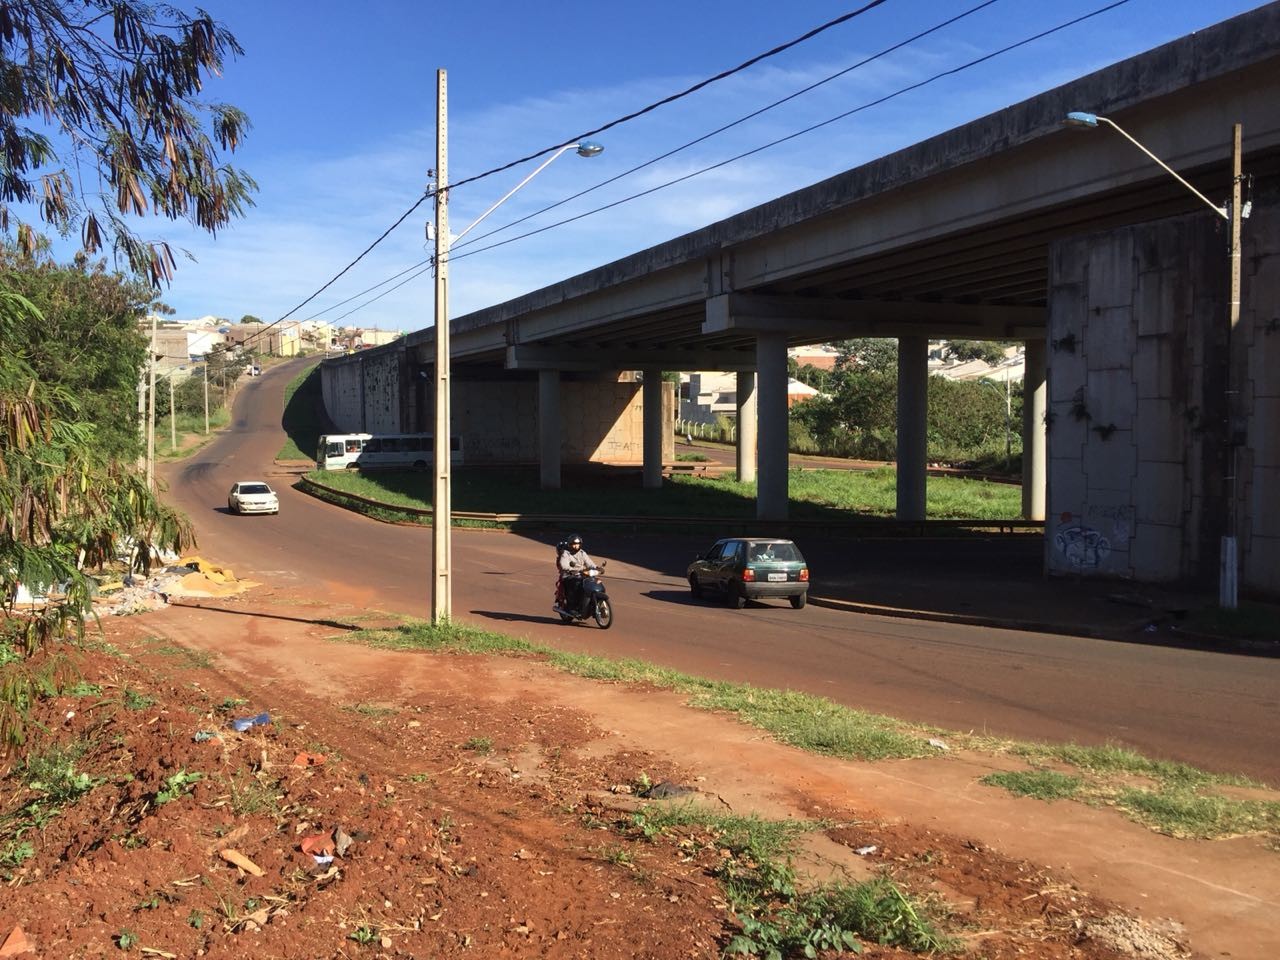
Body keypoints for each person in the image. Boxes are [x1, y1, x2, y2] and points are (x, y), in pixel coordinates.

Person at [558, 535, 596, 613]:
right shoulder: (566, 554)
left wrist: (597, 568)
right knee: (577, 584)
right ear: (570, 545)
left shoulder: (582, 553)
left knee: (592, 581)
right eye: (574, 544)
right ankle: (572, 607)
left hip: (581, 574)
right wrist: (573, 569)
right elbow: (563, 565)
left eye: (578, 544)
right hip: (569, 576)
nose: (576, 546)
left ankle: (587, 603)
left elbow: (589, 563)